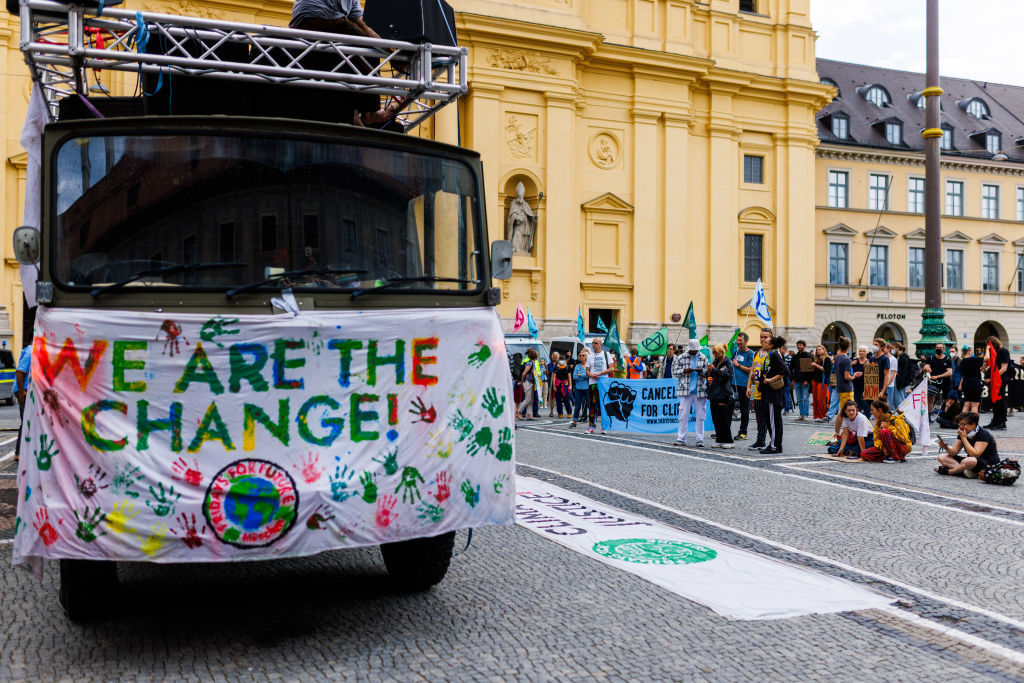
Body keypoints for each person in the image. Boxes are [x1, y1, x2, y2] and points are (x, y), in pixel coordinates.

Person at [288, 0, 400, 127]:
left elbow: (365, 25)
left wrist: (390, 54)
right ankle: (369, 112)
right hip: (318, 17)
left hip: (322, 21)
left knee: (357, 56)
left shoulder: (353, 3)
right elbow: (364, 29)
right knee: (368, 48)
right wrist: (392, 55)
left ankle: (358, 111)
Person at [935, 412, 1000, 478]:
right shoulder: (963, 432)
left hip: (987, 463)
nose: (960, 426)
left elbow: (975, 454)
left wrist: (964, 438)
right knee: (942, 457)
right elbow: (954, 452)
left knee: (969, 460)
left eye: (963, 424)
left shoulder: (983, 434)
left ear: (973, 424)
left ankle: (950, 471)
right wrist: (946, 447)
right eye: (959, 424)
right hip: (971, 462)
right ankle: (968, 472)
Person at [758, 335, 790, 454]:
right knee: (771, 420)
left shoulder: (775, 355)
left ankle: (774, 446)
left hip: (774, 394)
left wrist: (771, 379)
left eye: (765, 341)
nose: (763, 341)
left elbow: (785, 371)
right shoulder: (769, 355)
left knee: (774, 421)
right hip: (768, 393)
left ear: (771, 345)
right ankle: (774, 445)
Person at [673, 339, 708, 447]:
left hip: (700, 390)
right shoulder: (681, 357)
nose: (695, 352)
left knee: (700, 416)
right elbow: (674, 371)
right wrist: (684, 371)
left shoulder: (703, 357)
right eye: (693, 351)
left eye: (696, 350)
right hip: (685, 390)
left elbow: (708, 372)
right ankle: (681, 438)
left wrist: (701, 371)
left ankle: (700, 439)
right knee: (683, 415)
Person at [745, 329, 773, 449]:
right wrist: (748, 386)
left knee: (768, 418)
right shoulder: (757, 353)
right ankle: (760, 440)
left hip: (768, 391)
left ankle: (773, 442)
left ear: (771, 338)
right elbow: (752, 371)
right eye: (761, 337)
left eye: (765, 337)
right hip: (757, 390)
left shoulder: (772, 353)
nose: (763, 339)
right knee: (759, 417)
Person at [707, 343, 735, 449]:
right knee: (715, 418)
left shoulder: (728, 362)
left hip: (724, 394)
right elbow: (713, 374)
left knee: (724, 418)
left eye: (716, 353)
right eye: (713, 353)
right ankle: (719, 439)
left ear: (722, 352)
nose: (715, 355)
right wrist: (708, 372)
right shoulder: (715, 362)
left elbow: (725, 375)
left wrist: (714, 369)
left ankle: (729, 440)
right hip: (714, 393)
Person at [831, 337, 859, 437]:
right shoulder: (846, 359)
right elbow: (847, 376)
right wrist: (854, 376)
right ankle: (839, 433)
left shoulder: (838, 357)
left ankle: (839, 432)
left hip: (840, 388)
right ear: (849, 346)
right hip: (846, 389)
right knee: (847, 411)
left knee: (844, 411)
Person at [585, 338, 614, 434]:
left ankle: (604, 427)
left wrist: (600, 373)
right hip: (592, 383)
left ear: (600, 344)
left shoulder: (606, 354)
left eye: (595, 343)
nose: (593, 345)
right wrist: (592, 375)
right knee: (592, 405)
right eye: (592, 343)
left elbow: (611, 369)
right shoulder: (590, 356)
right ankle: (591, 426)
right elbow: (587, 371)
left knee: (603, 405)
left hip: (603, 384)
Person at [731, 333, 754, 439]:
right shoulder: (735, 352)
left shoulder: (751, 354)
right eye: (737, 340)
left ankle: (743, 432)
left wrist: (739, 365)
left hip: (745, 385)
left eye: (740, 340)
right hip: (733, 384)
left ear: (746, 341)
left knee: (744, 410)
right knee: (728, 408)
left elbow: (751, 370)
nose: (738, 342)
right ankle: (723, 431)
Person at [985, 337, 1011, 431]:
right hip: (995, 379)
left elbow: (1004, 368)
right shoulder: (994, 352)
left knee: (1000, 400)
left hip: (1001, 379)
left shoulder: (1003, 351)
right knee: (994, 401)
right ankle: (995, 421)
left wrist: (993, 379)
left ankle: (1002, 422)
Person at [13, 342, 31, 461]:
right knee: (26, 421)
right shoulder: (31, 351)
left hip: (26, 389)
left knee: (29, 421)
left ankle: (24, 451)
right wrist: (21, 392)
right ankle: (18, 453)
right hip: (23, 390)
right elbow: (20, 371)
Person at [923, 343, 952, 414]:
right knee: (930, 398)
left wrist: (937, 376)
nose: (938, 349)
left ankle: (947, 414)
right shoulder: (931, 358)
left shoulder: (948, 359)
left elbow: (950, 372)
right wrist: (926, 368)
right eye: (937, 347)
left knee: (947, 399)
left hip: (945, 382)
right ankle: (929, 415)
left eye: (940, 348)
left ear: (944, 349)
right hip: (933, 382)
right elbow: (926, 366)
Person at [957, 347, 984, 415]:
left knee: (966, 405)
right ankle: (973, 424)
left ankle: (963, 423)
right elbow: (986, 358)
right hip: (974, 383)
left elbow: (975, 369)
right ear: (968, 351)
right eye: (971, 351)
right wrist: (987, 348)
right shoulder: (973, 359)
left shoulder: (962, 361)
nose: (972, 352)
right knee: (974, 406)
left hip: (966, 383)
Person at [872, 338, 896, 410]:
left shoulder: (885, 359)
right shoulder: (872, 359)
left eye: (876, 345)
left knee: (881, 409)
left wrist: (883, 390)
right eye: (873, 344)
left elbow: (886, 375)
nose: (874, 346)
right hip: (873, 387)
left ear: (882, 347)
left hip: (881, 387)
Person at [792, 340, 812, 422]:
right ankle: (801, 414)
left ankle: (806, 415)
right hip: (797, 381)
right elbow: (791, 368)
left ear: (804, 346)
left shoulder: (808, 355)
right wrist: (792, 379)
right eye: (798, 345)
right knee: (799, 399)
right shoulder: (795, 356)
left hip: (805, 381)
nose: (799, 346)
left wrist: (807, 380)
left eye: (800, 345)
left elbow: (810, 370)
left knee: (806, 399)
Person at [516, 348, 539, 421]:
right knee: (528, 398)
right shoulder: (529, 363)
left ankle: (529, 415)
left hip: (531, 382)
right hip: (527, 382)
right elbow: (524, 374)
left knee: (531, 399)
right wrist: (522, 382)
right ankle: (519, 412)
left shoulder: (532, 362)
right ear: (535, 355)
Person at [570, 349, 589, 428]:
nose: (581, 357)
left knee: (589, 405)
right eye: (580, 355)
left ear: (586, 357)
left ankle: (591, 422)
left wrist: (580, 375)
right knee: (577, 405)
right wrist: (584, 376)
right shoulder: (577, 366)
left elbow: (589, 375)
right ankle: (574, 421)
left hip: (587, 388)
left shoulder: (589, 366)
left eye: (583, 355)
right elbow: (574, 377)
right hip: (578, 388)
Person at [810, 345, 829, 422]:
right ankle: (816, 416)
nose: (818, 351)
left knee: (820, 399)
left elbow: (826, 370)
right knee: (815, 399)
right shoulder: (816, 359)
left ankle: (823, 416)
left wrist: (816, 365)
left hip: (823, 381)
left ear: (824, 350)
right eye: (817, 350)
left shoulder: (827, 359)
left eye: (820, 349)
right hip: (815, 380)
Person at [852, 345, 868, 416]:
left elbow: (871, 375)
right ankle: (857, 416)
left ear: (866, 353)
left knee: (865, 403)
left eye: (863, 351)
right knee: (856, 401)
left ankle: (866, 416)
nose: (861, 352)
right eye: (860, 351)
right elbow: (848, 371)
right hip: (855, 384)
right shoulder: (855, 361)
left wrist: (862, 373)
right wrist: (851, 365)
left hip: (865, 385)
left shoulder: (868, 362)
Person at [546, 352, 560, 417]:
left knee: (559, 397)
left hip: (559, 382)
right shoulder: (549, 364)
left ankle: (560, 412)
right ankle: (551, 412)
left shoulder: (560, 364)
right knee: (552, 398)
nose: (554, 357)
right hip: (551, 382)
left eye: (556, 356)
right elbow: (547, 374)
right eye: (553, 356)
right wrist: (546, 368)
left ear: (558, 356)